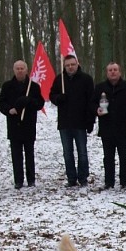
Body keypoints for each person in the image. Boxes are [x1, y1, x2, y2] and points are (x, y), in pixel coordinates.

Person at [0, 59, 44, 188]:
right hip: (14, 125)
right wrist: (9, 110)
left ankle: (31, 179)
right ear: (14, 70)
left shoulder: (33, 86)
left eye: (22, 68)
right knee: (16, 154)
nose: (20, 70)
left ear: (26, 70)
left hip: (28, 124)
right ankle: (18, 180)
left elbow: (40, 103)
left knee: (30, 154)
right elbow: (1, 103)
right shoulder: (7, 86)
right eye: (17, 68)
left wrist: (29, 101)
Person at [49, 54, 95, 187]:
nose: (70, 67)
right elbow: (51, 95)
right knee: (67, 153)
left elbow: (91, 101)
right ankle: (71, 178)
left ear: (77, 64)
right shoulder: (59, 79)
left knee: (82, 152)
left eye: (72, 64)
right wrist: (58, 98)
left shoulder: (86, 79)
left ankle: (83, 177)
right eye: (67, 65)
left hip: (80, 122)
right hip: (64, 123)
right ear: (64, 66)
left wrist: (90, 121)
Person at [91, 62, 126, 189]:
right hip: (107, 127)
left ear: (120, 72)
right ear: (107, 73)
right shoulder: (100, 87)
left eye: (115, 70)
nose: (113, 72)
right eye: (110, 70)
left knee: (124, 156)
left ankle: (124, 181)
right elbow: (92, 103)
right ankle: (109, 182)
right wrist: (96, 110)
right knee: (108, 157)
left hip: (124, 127)